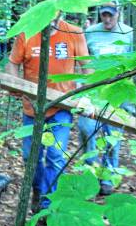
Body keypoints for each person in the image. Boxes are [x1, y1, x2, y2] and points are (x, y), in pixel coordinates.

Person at [7, 11, 89, 212]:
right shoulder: (27, 33)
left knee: (55, 155)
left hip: (61, 107)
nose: (50, 20)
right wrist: (15, 85)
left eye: (55, 15)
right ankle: (39, 189)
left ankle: (48, 204)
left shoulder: (73, 33)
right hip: (32, 108)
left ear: (61, 12)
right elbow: (13, 64)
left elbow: (88, 68)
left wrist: (87, 96)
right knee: (30, 156)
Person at [77, 1, 133, 195]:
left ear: (118, 13)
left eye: (111, 15)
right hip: (93, 90)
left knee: (112, 135)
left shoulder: (129, 33)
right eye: (104, 15)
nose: (107, 19)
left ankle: (108, 176)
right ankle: (90, 173)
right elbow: (82, 59)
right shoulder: (90, 32)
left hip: (118, 92)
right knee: (86, 129)